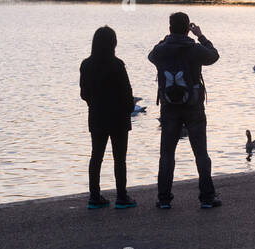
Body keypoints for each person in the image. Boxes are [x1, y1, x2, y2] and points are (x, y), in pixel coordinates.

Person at [150, 11, 221, 209]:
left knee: (166, 155)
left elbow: (151, 55)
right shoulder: (195, 49)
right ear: (188, 28)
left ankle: (164, 199)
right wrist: (200, 35)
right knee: (201, 153)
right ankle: (207, 198)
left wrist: (167, 39)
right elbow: (214, 56)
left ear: (170, 27)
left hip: (169, 108)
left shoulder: (161, 50)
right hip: (194, 107)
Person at [79, 25, 136, 209]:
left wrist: (93, 104)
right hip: (118, 117)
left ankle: (94, 196)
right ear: (114, 43)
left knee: (96, 156)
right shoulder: (117, 64)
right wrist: (129, 108)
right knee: (120, 158)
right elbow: (127, 92)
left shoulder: (86, 65)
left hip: (96, 116)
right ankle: (121, 196)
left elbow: (84, 93)